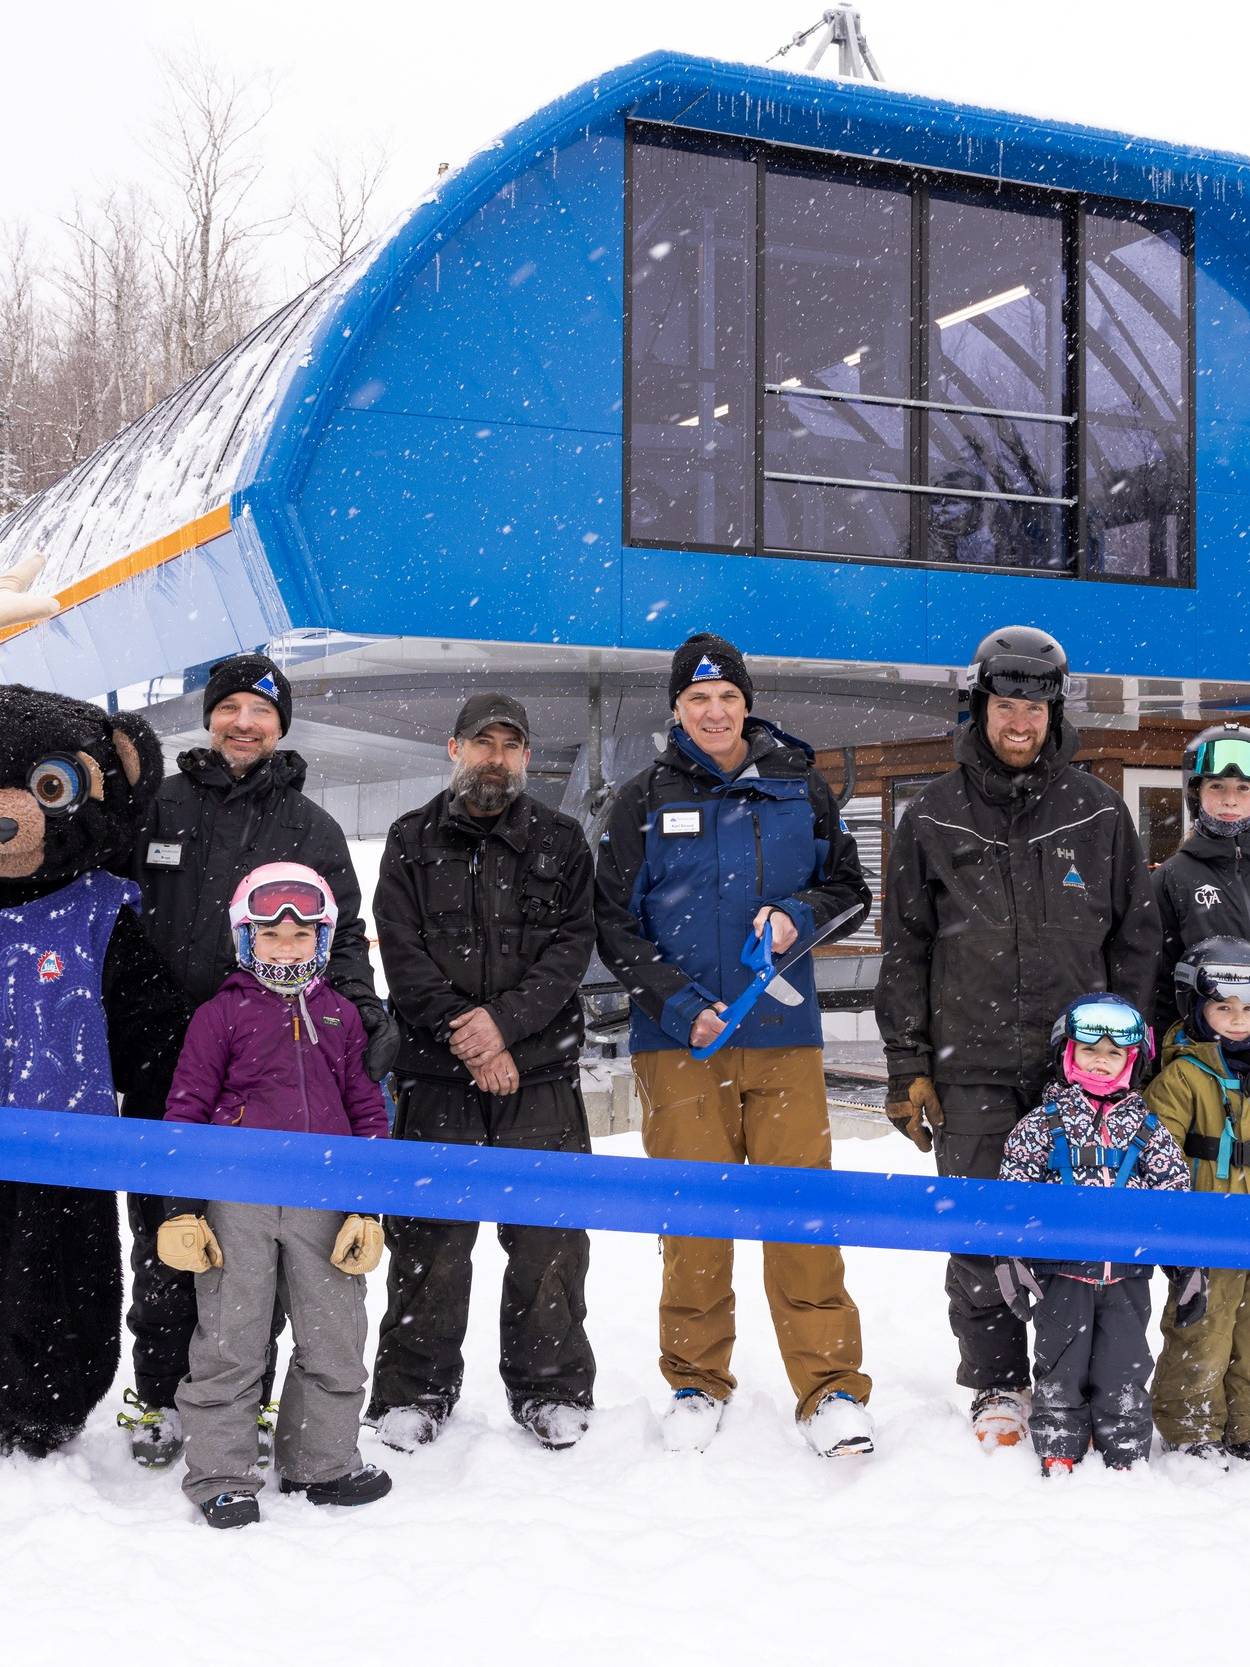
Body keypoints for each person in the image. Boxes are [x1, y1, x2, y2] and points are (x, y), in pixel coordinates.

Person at [876, 624, 1159, 1448]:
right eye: (1006, 705)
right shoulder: (932, 815)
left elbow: (1134, 943)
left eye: (1034, 707)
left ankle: (1074, 1380)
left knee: (1086, 1231)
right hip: (972, 1068)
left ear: (1053, 710)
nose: (1020, 722)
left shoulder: (1099, 812)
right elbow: (906, 950)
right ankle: (998, 1383)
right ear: (980, 706)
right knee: (982, 1227)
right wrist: (908, 1064)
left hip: (1083, 1072)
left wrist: (1125, 1058)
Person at [595, 632, 874, 1457]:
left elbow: (850, 889)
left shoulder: (799, 785)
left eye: (726, 697)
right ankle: (694, 1380)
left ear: (745, 701)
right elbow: (612, 923)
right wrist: (680, 1008)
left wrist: (799, 914)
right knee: (694, 1217)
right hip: (681, 1045)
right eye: (696, 699)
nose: (713, 712)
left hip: (783, 1033)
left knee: (803, 1213)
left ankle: (829, 1389)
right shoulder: (641, 797)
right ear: (676, 709)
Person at [119, 652, 398, 1467]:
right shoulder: (159, 807)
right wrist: (123, 1024)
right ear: (210, 716)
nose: (244, 722)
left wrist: (360, 1013)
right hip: (168, 1052)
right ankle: (163, 1391)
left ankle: (251, 1390)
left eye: (261, 711)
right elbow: (123, 916)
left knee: (262, 1239)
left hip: (276, 1050)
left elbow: (339, 934)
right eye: (231, 707)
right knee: (170, 1228)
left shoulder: (308, 825)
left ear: (282, 725)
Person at [366, 693, 598, 1452]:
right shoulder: (408, 840)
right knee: (429, 1243)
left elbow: (568, 955)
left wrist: (504, 1029)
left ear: (526, 757)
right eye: (481, 742)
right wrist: (470, 1038)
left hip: (540, 1081)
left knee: (549, 1243)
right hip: (437, 1079)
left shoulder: (562, 842)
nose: (495, 757)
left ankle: (551, 1388)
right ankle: (414, 1391)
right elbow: (401, 955)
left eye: (510, 745)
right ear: (452, 747)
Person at [157, 862, 392, 1528]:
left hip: (324, 1199)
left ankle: (320, 1461)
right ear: (245, 939)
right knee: (231, 1338)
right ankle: (223, 1474)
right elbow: (187, 1109)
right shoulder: (220, 1015)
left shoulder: (342, 1017)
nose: (285, 950)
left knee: (334, 1334)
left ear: (321, 939)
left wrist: (366, 1208)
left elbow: (368, 1113)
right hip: (239, 1201)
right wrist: (181, 1205)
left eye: (299, 937)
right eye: (270, 937)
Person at [997, 993, 1192, 1475]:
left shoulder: (1148, 1129)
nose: (1100, 1063)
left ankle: (1125, 1450)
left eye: (1112, 1054)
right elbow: (1012, 1194)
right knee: (1060, 1365)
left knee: (1124, 1367)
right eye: (1089, 1051)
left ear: (1131, 1061)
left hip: (1127, 1277)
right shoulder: (1040, 1126)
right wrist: (1009, 1256)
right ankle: (1059, 1442)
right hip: (1061, 1276)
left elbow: (1175, 1196)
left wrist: (1187, 1265)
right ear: (1068, 1054)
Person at [1146, 937, 1250, 1467]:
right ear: (1197, 1007)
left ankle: (1246, 1425)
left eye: (1249, 1009)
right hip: (1206, 1233)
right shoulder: (1184, 1075)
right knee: (1203, 1332)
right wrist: (1175, 1225)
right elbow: (1156, 1151)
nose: (1237, 1019)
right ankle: (1190, 1427)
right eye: (1223, 1007)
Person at [1153, 725, 1250, 1030]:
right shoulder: (1174, 877)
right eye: (1217, 786)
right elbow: (1156, 980)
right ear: (1196, 793)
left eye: (1243, 788)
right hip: (1201, 1053)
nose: (1230, 800)